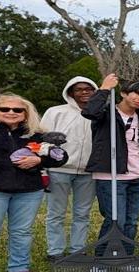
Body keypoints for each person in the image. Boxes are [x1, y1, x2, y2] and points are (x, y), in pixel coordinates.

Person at [0, 93, 68, 272]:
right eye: (5, 109)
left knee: (22, 231)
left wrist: (39, 159)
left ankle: (19, 267)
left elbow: (61, 157)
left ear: (26, 114)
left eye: (18, 110)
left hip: (29, 191)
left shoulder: (38, 135)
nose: (11, 112)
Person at [81, 74, 139, 254]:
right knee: (116, 219)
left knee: (132, 220)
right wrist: (104, 89)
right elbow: (89, 112)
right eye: (136, 93)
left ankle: (125, 255)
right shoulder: (106, 113)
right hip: (111, 174)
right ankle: (103, 256)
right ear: (123, 93)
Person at [40, 76, 97, 261]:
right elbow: (42, 139)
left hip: (89, 171)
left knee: (82, 213)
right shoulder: (56, 112)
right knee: (56, 212)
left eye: (88, 89)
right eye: (79, 89)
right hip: (60, 170)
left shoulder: (100, 112)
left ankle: (77, 249)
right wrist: (45, 165)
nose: (84, 92)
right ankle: (55, 251)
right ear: (71, 92)